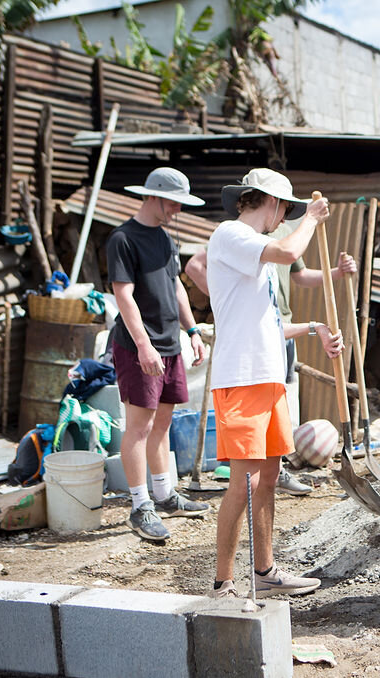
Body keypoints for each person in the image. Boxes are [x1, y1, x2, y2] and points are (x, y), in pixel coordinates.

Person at [206, 168, 344, 599]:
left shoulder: (259, 259)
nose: (284, 218)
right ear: (273, 203)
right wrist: (312, 220)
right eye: (285, 210)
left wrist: (313, 327)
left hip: (268, 378)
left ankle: (265, 573)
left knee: (268, 478)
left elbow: (268, 323)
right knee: (243, 482)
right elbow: (288, 251)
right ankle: (222, 583)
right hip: (241, 379)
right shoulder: (231, 235)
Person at [184, 240, 357, 495]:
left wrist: (337, 273)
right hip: (251, 337)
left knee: (282, 403)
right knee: (254, 424)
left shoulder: (287, 231)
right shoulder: (240, 234)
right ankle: (254, 473)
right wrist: (224, 301)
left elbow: (301, 275)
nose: (286, 213)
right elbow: (194, 266)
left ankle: (276, 469)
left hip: (281, 325)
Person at [106, 167, 211, 541]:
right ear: (153, 197)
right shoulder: (123, 238)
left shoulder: (166, 239)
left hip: (170, 343)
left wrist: (193, 330)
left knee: (162, 422)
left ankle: (165, 495)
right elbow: (124, 295)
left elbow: (177, 289)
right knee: (139, 426)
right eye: (174, 203)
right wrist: (143, 344)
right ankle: (139, 505)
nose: (178, 211)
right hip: (140, 346)